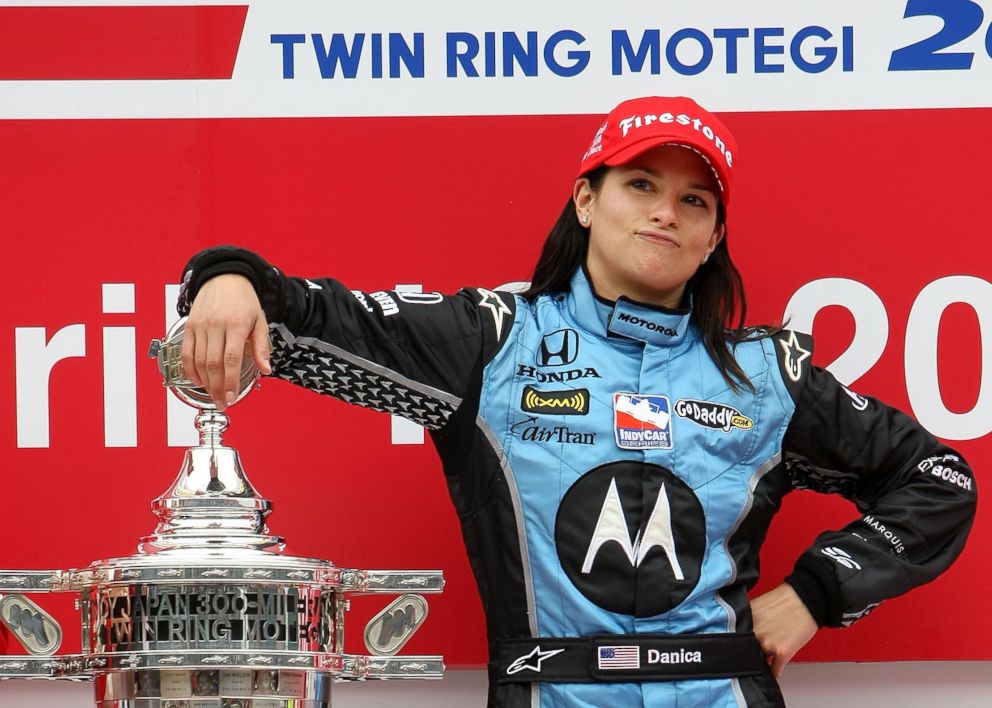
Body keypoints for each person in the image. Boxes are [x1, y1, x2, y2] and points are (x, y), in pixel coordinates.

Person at [176, 96, 976, 707]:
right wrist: (229, 276)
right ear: (587, 200)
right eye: (640, 184)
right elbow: (317, 317)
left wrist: (814, 593)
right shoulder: (491, 342)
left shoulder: (765, 374)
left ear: (713, 238)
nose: (667, 210)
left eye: (696, 201)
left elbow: (940, 482)